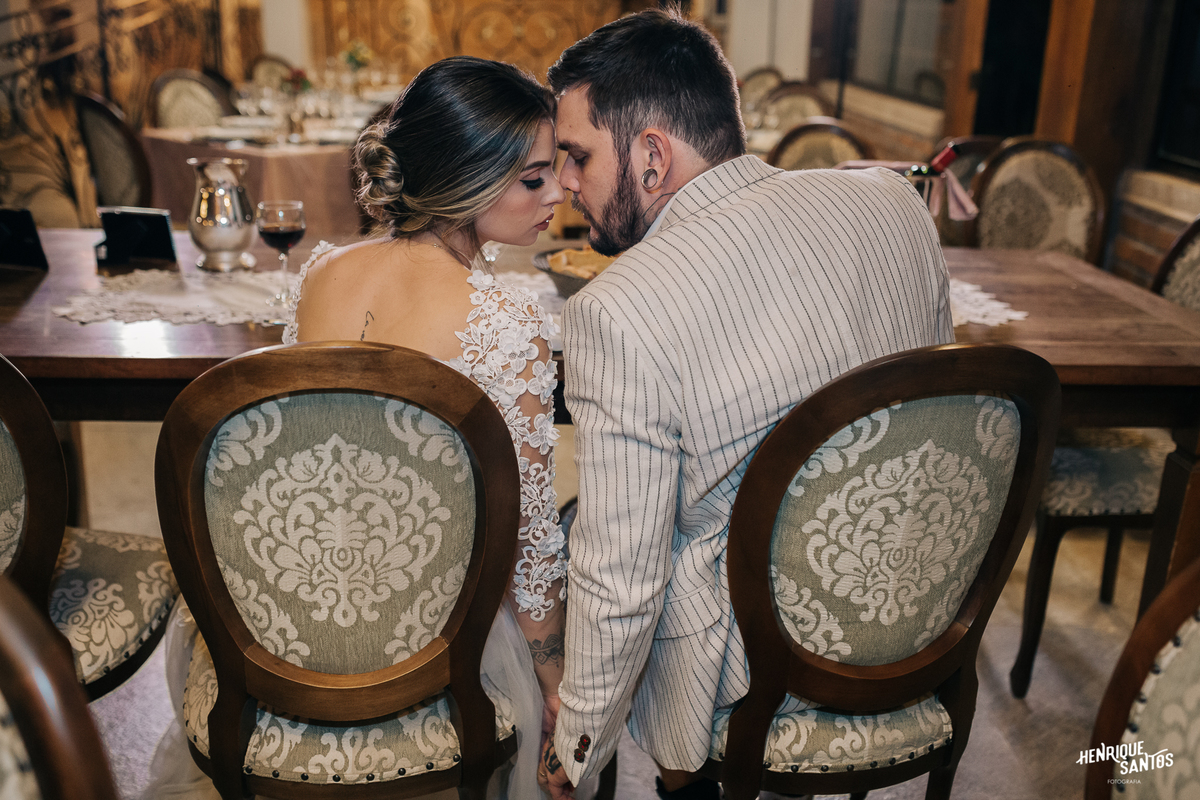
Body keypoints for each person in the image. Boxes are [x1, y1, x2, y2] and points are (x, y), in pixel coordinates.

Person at [537, 9, 955, 800]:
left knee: (606, 532)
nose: (564, 182)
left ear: (652, 156)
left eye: (578, 155)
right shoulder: (897, 203)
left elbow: (622, 575)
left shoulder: (618, 309)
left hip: (761, 668)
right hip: (920, 613)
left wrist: (579, 743)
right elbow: (941, 413)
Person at [142, 56, 568, 800]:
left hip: (285, 627)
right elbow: (530, 542)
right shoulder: (510, 323)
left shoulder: (322, 274)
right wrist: (554, 679)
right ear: (465, 180)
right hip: (431, 644)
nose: (559, 192)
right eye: (534, 178)